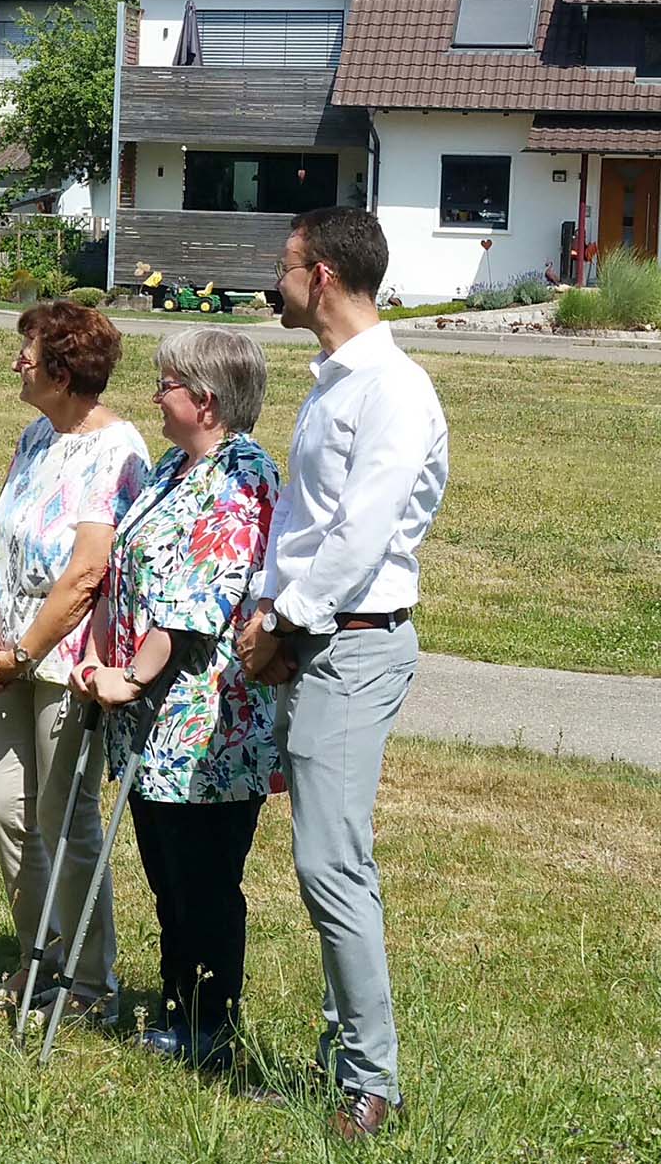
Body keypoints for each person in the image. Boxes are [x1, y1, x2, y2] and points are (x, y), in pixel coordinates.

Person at [236, 206, 448, 1140]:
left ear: (320, 274)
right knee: (332, 859)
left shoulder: (393, 390)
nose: (274, 280)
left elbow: (361, 536)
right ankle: (343, 1062)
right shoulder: (333, 382)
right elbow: (303, 520)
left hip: (354, 642)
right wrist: (268, 607)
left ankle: (373, 1082)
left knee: (331, 862)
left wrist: (282, 619)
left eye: (284, 264)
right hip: (315, 636)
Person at [73, 326, 281, 1073]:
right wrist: (103, 657)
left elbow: (200, 601)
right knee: (168, 876)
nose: (155, 396)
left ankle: (211, 1027)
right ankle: (176, 1010)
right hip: (148, 721)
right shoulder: (172, 467)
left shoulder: (245, 474)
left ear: (207, 399)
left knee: (205, 881)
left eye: (166, 384)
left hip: (206, 725)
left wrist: (131, 676)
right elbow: (126, 567)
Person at [0, 301, 149, 1021]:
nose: (18, 360)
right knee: (2, 804)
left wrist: (21, 654)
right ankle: (38, 957)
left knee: (63, 817)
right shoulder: (35, 435)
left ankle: (89, 984)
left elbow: (86, 573)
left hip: (67, 658)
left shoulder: (118, 449)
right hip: (10, 653)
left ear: (63, 369)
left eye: (30, 350)